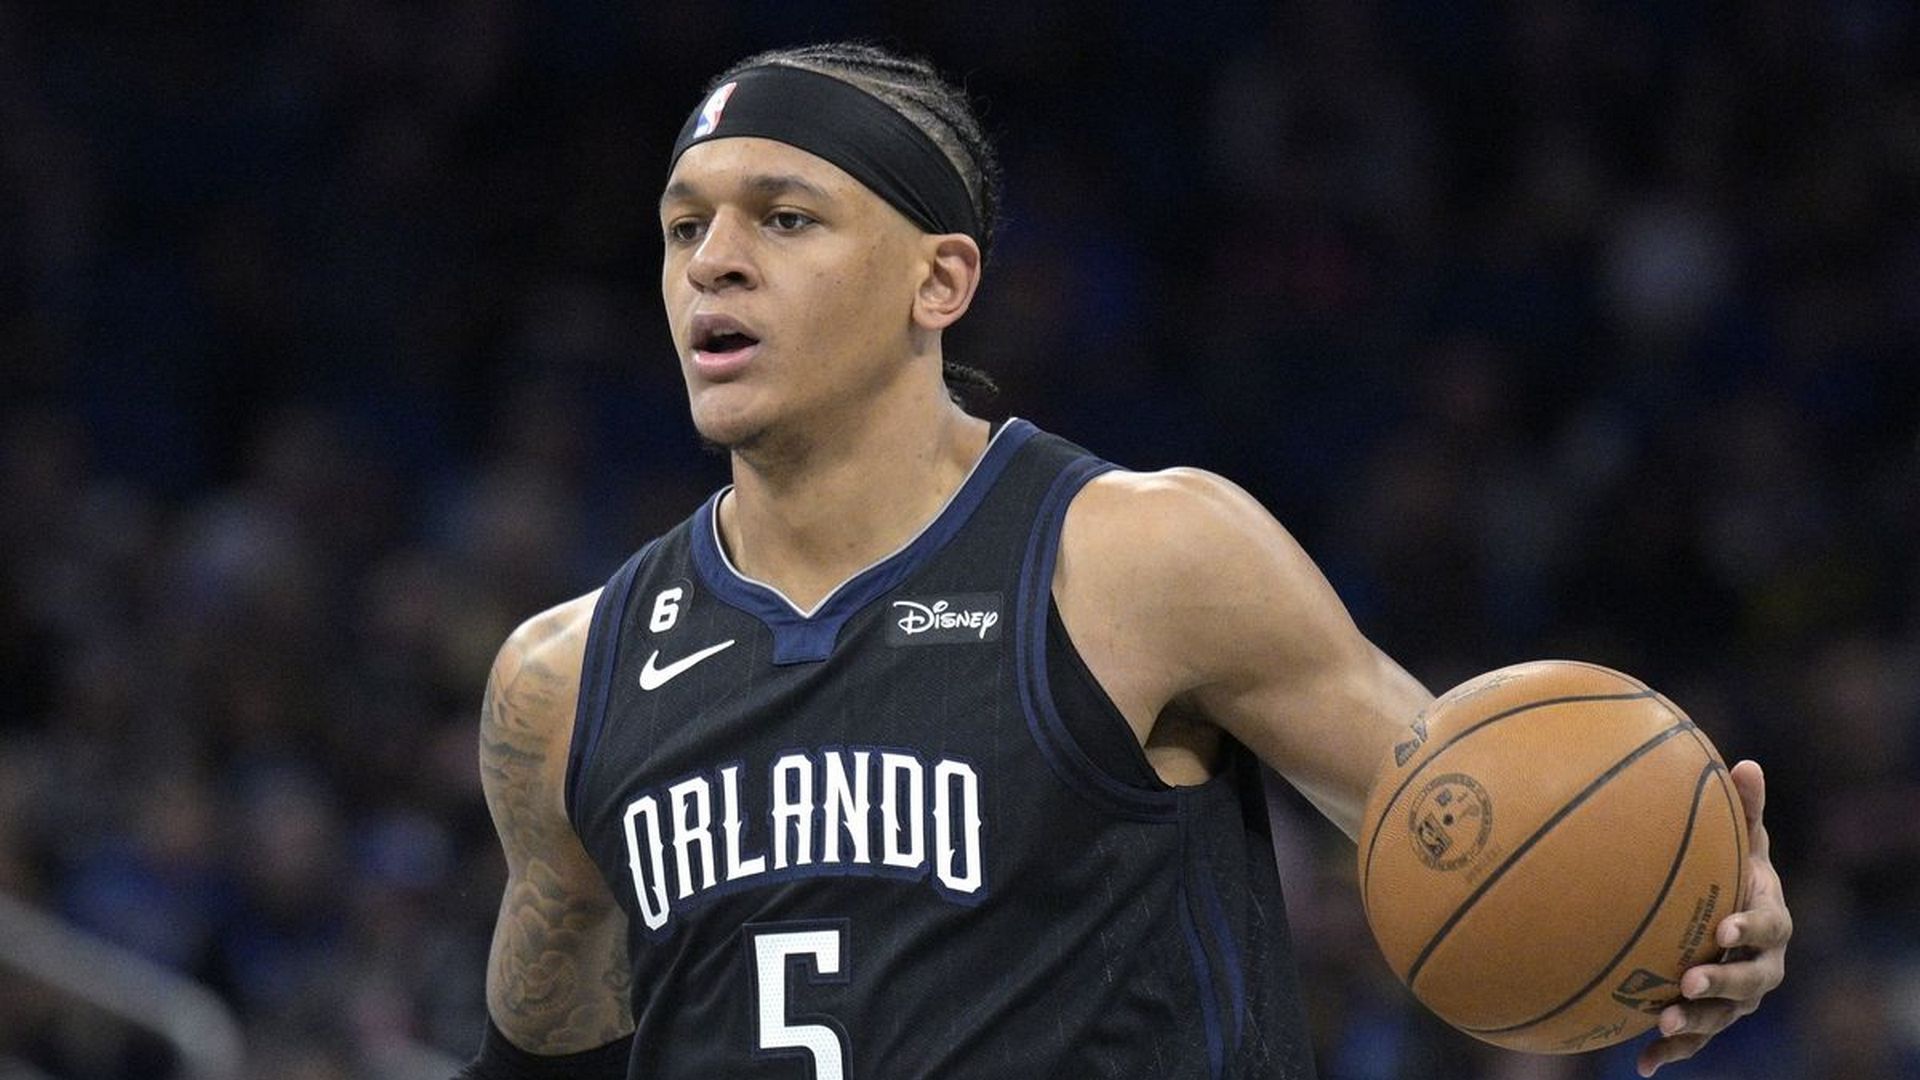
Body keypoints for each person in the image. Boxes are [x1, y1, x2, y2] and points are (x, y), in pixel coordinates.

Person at [457, 41, 1790, 1080]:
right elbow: (538, 1053)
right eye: (684, 226)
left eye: (785, 218)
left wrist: (1700, 926)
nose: (715, 263)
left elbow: (1471, 823)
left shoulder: (1142, 561)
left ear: (940, 281)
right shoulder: (563, 681)